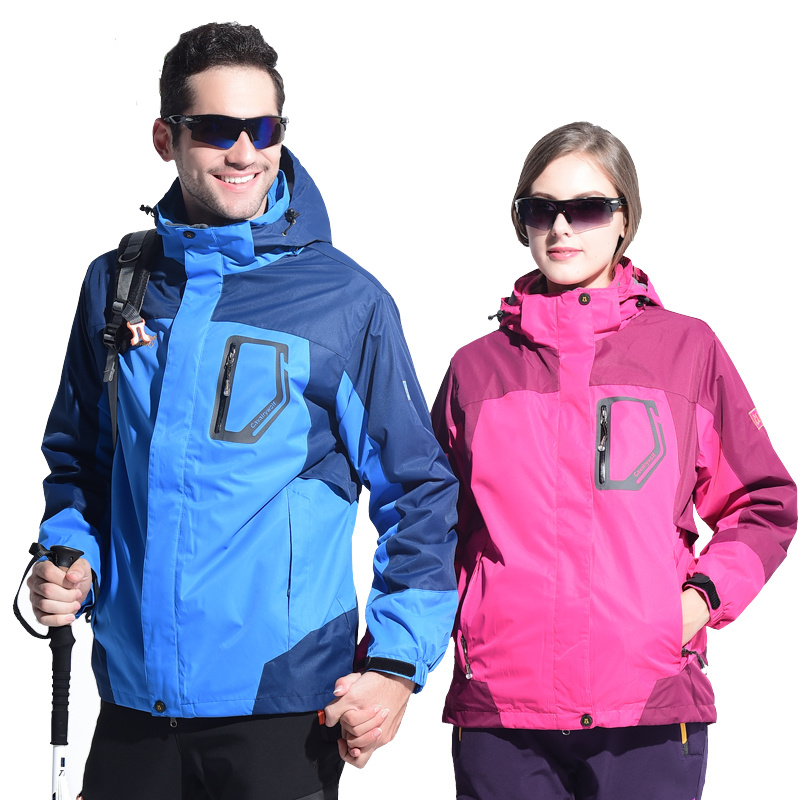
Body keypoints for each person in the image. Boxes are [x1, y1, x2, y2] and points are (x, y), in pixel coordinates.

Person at [26, 22, 458, 800]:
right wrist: (70, 557)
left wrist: (397, 664)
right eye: (217, 129)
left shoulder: (345, 302)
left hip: (283, 711)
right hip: (133, 703)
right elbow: (82, 462)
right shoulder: (117, 284)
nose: (244, 151)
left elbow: (419, 491)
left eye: (263, 128)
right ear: (166, 137)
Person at [431, 121, 796, 800]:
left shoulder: (686, 351)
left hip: (647, 706)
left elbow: (765, 502)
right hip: (503, 710)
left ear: (625, 219)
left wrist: (697, 603)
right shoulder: (475, 371)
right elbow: (431, 528)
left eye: (589, 208)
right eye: (541, 209)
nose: (561, 227)